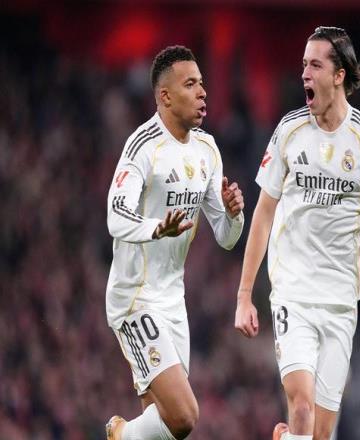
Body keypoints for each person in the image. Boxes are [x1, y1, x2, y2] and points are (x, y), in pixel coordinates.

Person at [235, 26, 360, 440]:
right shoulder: (289, 131)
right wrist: (244, 296)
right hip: (293, 293)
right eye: (303, 65)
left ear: (339, 75)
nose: (305, 74)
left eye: (315, 65)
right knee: (302, 407)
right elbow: (263, 214)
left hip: (340, 302)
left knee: (321, 434)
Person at [105, 45, 244, 440]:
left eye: (202, 83)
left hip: (172, 299)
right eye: (190, 84)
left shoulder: (207, 150)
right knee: (184, 416)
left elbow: (226, 237)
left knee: (165, 426)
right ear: (165, 96)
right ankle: (119, 433)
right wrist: (155, 229)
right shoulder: (143, 146)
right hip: (135, 297)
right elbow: (115, 214)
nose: (203, 92)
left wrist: (234, 214)